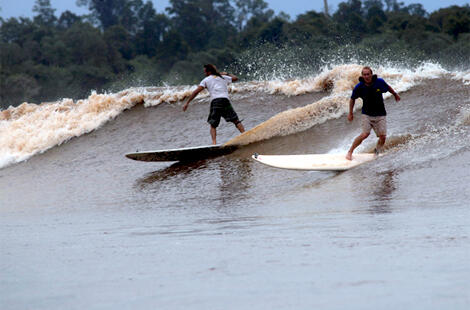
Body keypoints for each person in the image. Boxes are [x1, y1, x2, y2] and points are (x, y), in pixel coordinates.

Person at [346, 66, 400, 160]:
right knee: (365, 134)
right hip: (367, 114)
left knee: (382, 137)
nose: (367, 76)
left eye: (368, 74)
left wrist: (395, 94)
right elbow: (352, 99)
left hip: (380, 114)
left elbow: (388, 88)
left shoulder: (379, 82)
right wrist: (350, 113)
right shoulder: (359, 87)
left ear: (371, 74)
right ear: (362, 76)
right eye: (364, 75)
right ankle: (350, 151)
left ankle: (377, 152)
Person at [183, 64, 245, 145]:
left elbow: (196, 92)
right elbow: (236, 78)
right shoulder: (222, 77)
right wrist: (226, 73)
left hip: (215, 102)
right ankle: (245, 135)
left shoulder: (206, 80)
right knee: (236, 120)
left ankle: (214, 143)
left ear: (209, 72)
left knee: (213, 125)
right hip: (225, 100)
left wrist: (187, 102)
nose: (204, 73)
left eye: (205, 71)